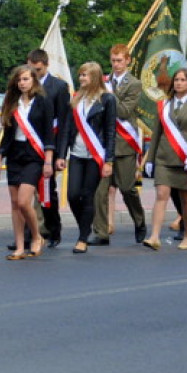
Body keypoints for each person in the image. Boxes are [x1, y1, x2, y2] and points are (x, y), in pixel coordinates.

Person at [0, 65, 54, 260]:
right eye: (19, 80)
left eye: (26, 79)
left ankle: (37, 236)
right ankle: (20, 246)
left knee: (23, 201)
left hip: (34, 155)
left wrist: (48, 160)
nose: (22, 83)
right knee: (14, 203)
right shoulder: (12, 102)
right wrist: (0, 156)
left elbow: (48, 132)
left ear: (34, 81)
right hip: (15, 154)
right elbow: (7, 131)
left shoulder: (43, 101)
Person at [90, 44, 146, 245]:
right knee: (100, 190)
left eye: (120, 61)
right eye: (113, 61)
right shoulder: (104, 81)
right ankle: (101, 232)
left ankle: (139, 221)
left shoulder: (134, 84)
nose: (116, 65)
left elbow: (123, 111)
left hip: (124, 143)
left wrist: (109, 92)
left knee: (127, 188)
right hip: (104, 144)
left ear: (128, 60)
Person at [142, 69, 187, 251]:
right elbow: (157, 133)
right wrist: (150, 159)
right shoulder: (164, 105)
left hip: (185, 158)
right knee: (161, 195)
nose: (178, 83)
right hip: (164, 157)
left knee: (186, 199)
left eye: (183, 80)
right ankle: (154, 237)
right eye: (176, 80)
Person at [62, 62, 115, 253]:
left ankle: (82, 238)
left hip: (96, 155)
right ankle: (84, 225)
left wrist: (109, 160)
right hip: (76, 153)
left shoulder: (107, 99)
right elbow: (68, 128)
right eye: (81, 75)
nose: (81, 78)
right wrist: (62, 154)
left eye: (85, 75)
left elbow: (110, 130)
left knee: (87, 194)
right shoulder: (76, 99)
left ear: (95, 77)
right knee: (73, 195)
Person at [27, 49, 70, 248]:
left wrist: (61, 154)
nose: (34, 74)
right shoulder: (25, 84)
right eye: (31, 69)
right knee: (26, 192)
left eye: (38, 69)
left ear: (46, 65)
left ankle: (53, 228)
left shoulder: (59, 86)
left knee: (46, 191)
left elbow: (63, 122)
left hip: (48, 146)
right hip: (28, 145)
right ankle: (31, 233)